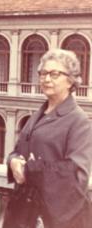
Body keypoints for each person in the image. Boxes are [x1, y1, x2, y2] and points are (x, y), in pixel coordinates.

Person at [5, 49, 92, 228]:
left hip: (55, 218)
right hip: (24, 210)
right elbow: (17, 151)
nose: (46, 79)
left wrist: (29, 170)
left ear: (71, 80)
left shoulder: (79, 121)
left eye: (54, 74)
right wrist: (13, 161)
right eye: (43, 73)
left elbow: (77, 174)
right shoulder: (37, 115)